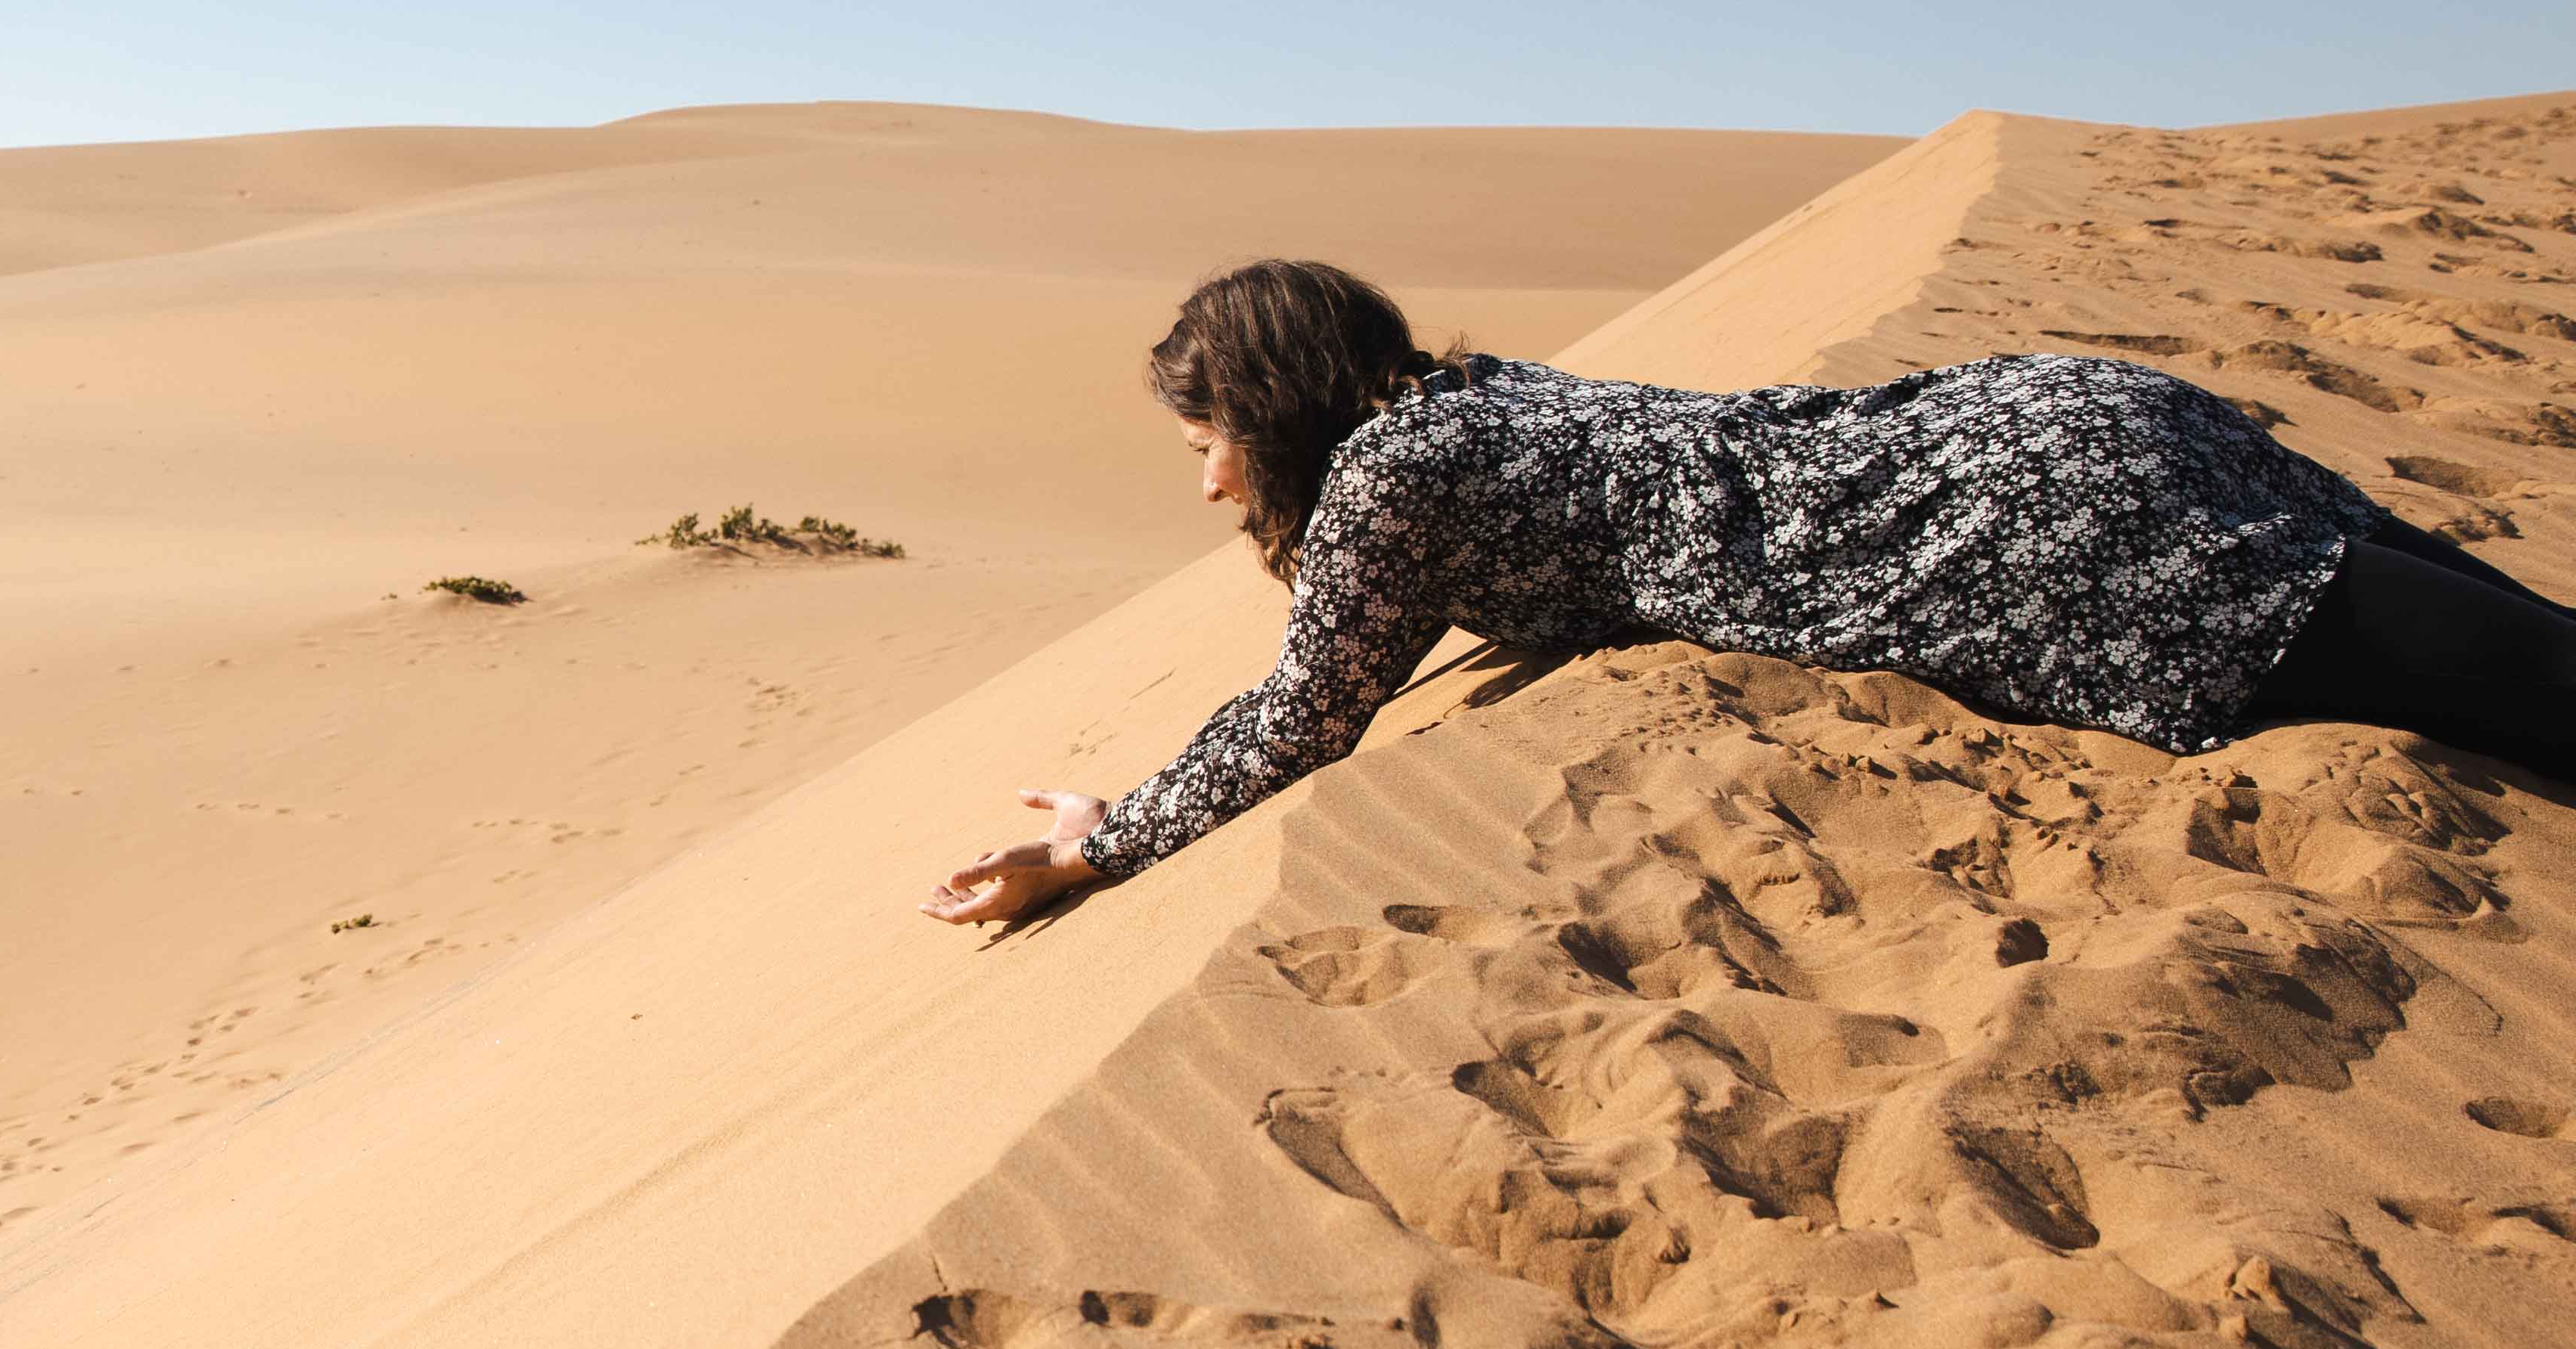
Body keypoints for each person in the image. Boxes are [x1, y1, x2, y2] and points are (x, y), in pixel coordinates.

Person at [925, 257, 2576, 926]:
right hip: (2048, 418)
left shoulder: (1391, 479)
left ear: (1278, 412)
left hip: (2032, 528)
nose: (1210, 481)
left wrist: (1103, 841)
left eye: (1210, 441)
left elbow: (1308, 711)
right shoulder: (1465, 395)